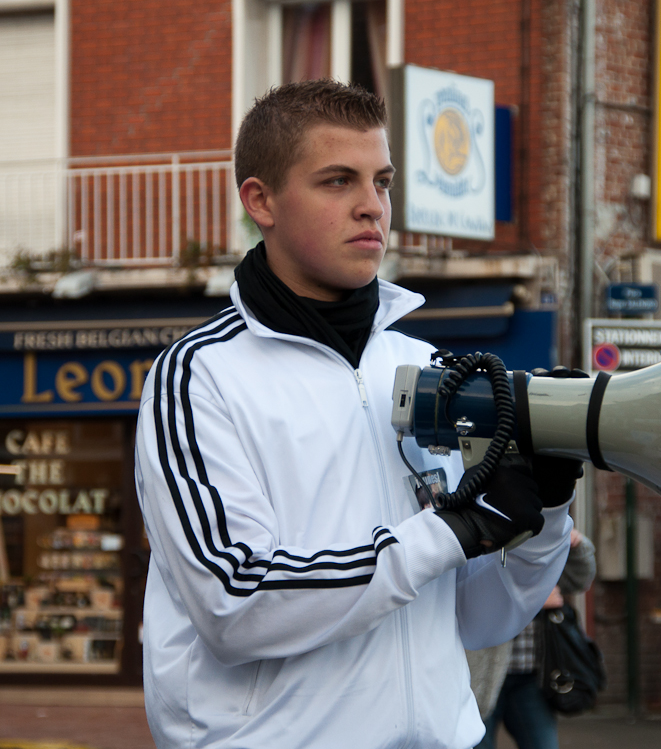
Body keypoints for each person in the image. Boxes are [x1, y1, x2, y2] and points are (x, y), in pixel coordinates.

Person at [134, 79, 581, 749]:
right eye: (338, 181)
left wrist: (542, 517)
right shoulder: (198, 376)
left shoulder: (426, 363)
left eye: (383, 181)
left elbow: (475, 615)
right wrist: (452, 530)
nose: (373, 206)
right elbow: (236, 598)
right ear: (261, 201)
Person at [472, 529, 596, 749]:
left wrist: (576, 546)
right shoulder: (482, 527)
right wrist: (535, 598)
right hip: (481, 675)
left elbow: (578, 580)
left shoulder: (540, 531)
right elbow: (470, 591)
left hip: (531, 676)